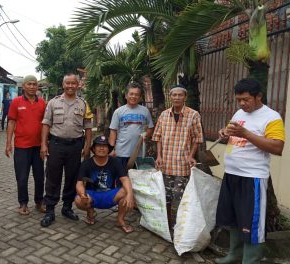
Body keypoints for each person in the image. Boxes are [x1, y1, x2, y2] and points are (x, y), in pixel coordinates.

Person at [214, 79, 285, 264]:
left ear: (258, 96)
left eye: (246, 99)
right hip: (231, 174)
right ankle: (234, 254)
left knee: (252, 223)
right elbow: (233, 131)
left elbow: (277, 147)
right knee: (234, 218)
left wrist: (246, 134)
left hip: (252, 177)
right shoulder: (239, 112)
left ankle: (250, 260)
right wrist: (224, 132)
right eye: (239, 100)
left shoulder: (272, 117)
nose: (242, 104)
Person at [40, 73, 93, 227]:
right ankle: (50, 209)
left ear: (78, 85)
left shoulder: (83, 104)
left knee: (72, 177)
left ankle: (67, 207)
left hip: (75, 146)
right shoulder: (53, 103)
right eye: (67, 83)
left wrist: (87, 147)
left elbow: (88, 128)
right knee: (52, 177)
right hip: (56, 145)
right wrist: (44, 144)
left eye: (73, 83)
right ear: (63, 85)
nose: (70, 86)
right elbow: (46, 124)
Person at [151, 84, 203, 233]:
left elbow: (197, 138)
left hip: (182, 164)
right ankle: (167, 224)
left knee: (179, 196)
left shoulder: (193, 115)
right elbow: (157, 137)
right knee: (165, 196)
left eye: (180, 95)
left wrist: (191, 155)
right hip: (165, 163)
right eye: (174, 95)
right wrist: (159, 156)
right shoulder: (163, 115)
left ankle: (179, 226)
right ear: (170, 97)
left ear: (185, 97)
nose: (177, 97)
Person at [74, 135, 135, 233]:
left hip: (110, 195)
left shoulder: (115, 162)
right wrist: (82, 194)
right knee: (78, 199)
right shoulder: (86, 163)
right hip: (92, 197)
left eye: (104, 146)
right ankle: (90, 213)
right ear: (93, 148)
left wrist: (130, 195)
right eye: (98, 145)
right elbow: (79, 183)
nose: (101, 148)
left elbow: (125, 179)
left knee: (126, 191)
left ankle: (120, 220)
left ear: (108, 149)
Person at [5, 75, 47, 215]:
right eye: (29, 84)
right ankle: (23, 203)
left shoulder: (42, 103)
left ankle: (39, 202)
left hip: (38, 147)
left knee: (40, 176)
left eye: (34, 84)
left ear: (37, 86)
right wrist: (8, 143)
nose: (32, 86)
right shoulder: (16, 102)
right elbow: (11, 122)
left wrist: (44, 144)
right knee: (22, 177)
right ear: (23, 86)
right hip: (21, 146)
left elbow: (46, 125)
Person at [109, 82, 154, 168]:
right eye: (131, 94)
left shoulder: (145, 111)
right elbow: (113, 131)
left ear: (140, 97)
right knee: (121, 179)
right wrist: (111, 149)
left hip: (139, 153)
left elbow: (151, 128)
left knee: (136, 179)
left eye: (137, 94)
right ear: (126, 95)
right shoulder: (118, 111)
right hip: (121, 153)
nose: (133, 96)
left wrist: (146, 134)